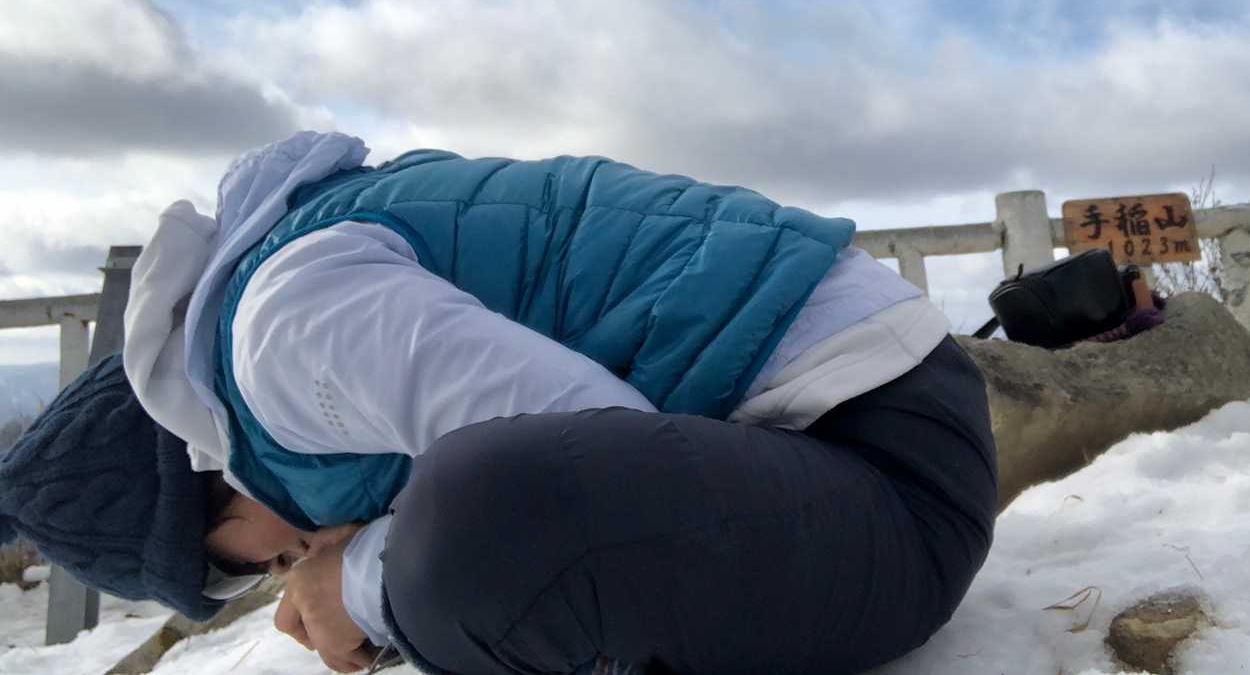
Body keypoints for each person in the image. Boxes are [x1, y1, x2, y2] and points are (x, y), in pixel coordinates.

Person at [0, 131, 997, 675]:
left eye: (253, 563)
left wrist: (361, 586)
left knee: (470, 534)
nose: (291, 558)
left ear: (198, 474)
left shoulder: (283, 331)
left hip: (886, 476)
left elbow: (578, 470)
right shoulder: (280, 288)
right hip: (850, 437)